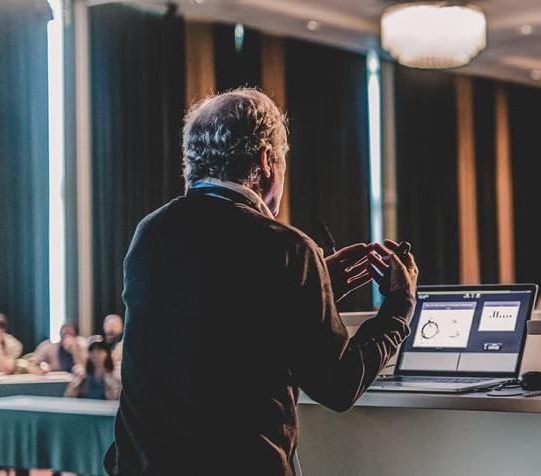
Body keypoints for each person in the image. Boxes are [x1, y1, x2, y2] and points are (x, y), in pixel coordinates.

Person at [109, 89, 420, 474]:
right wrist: (398, 309)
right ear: (267, 161)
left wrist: (320, 286)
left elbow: (217, 324)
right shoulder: (286, 248)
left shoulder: (151, 232)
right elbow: (338, 386)